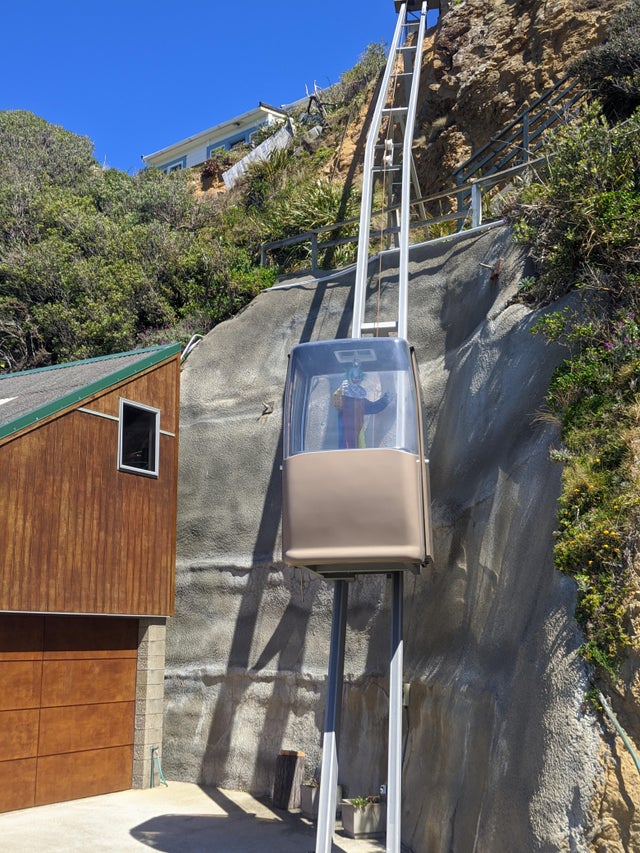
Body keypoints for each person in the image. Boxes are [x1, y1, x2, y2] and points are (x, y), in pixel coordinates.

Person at [332, 364, 390, 448]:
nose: (356, 379)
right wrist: (340, 391)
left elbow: (373, 408)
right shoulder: (342, 396)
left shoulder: (360, 400)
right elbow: (337, 403)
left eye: (358, 377)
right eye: (353, 376)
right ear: (349, 377)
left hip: (357, 438)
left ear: (360, 379)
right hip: (345, 439)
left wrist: (386, 399)